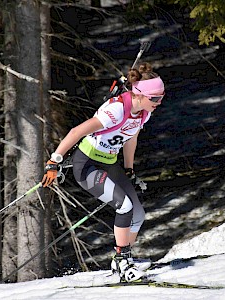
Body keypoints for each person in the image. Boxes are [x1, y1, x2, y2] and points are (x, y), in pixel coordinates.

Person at [42, 63, 165, 282]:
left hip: (109, 164)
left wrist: (129, 169)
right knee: (124, 206)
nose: (159, 102)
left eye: (161, 97)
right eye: (155, 98)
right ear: (138, 95)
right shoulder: (116, 110)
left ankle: (124, 259)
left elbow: (131, 137)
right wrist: (54, 161)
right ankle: (122, 261)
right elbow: (76, 131)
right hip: (87, 165)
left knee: (138, 215)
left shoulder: (143, 113)